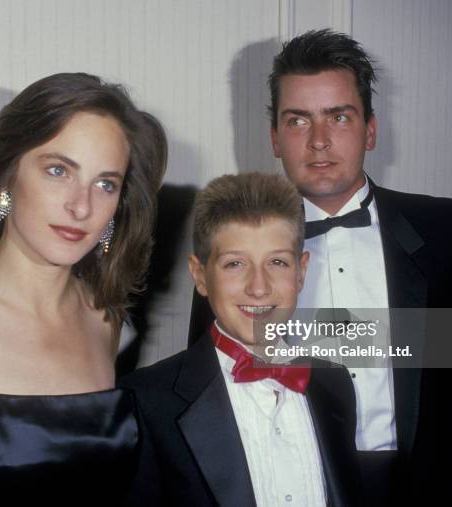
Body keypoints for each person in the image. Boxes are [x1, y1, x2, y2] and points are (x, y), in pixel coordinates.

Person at [0, 72, 167, 503]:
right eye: (58, 170)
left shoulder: (104, 321)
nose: (81, 206)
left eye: (105, 184)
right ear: (7, 178)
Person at [266, 29, 452, 506]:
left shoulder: (445, 229)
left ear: (370, 129)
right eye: (297, 121)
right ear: (274, 137)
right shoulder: (232, 241)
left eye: (339, 116)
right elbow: (208, 394)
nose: (318, 141)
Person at [121, 172, 362, 507]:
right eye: (235, 264)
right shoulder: (144, 403)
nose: (259, 287)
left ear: (301, 272)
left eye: (277, 262)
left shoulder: (335, 385)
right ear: (200, 275)